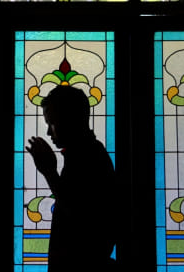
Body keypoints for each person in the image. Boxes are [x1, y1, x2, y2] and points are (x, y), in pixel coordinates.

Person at [26, 85, 117, 272]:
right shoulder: (85, 154)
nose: (49, 133)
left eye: (51, 123)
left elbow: (80, 217)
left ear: (69, 119)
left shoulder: (90, 159)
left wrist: (50, 173)